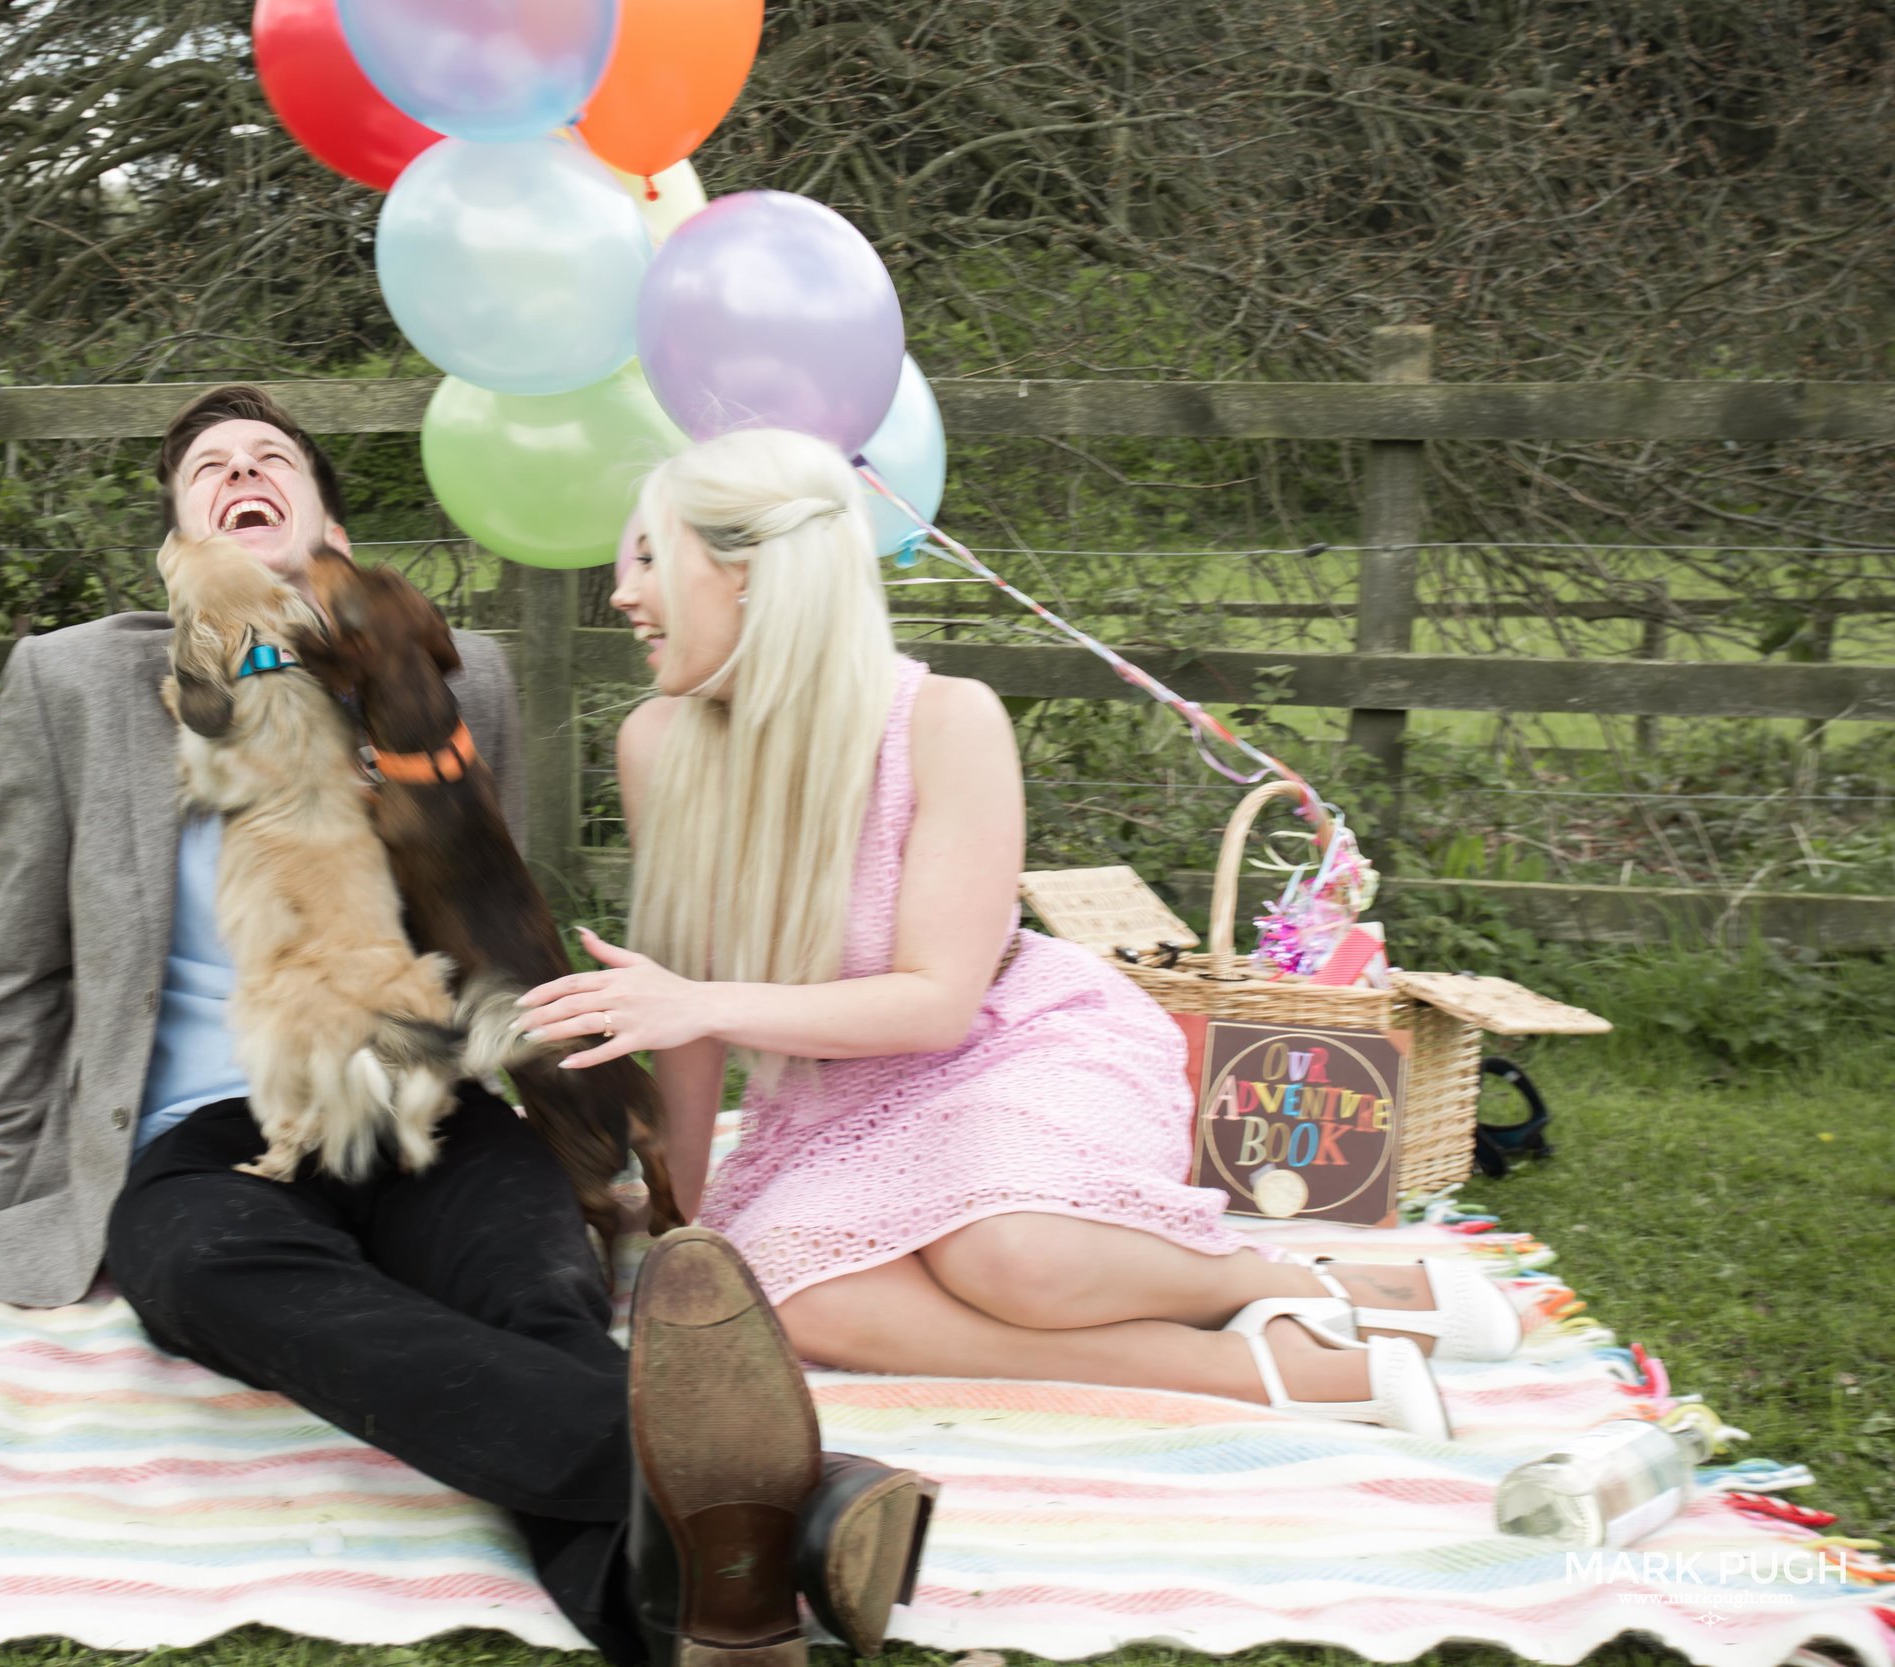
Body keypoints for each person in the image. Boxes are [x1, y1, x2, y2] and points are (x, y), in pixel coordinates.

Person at [0, 388, 934, 1667]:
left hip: (428, 1103)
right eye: (212, 464)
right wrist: (5, 1183)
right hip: (207, 1138)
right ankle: (790, 1505)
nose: (244, 470)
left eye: (275, 458)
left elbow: (496, 918)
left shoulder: (448, 670)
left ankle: (711, 1623)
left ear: (324, 514)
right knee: (213, 1274)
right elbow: (23, 963)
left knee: (535, 1302)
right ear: (177, 523)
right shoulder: (78, 680)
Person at [515, 428, 1526, 1437]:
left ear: (747, 573)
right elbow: (680, 1023)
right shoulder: (658, 745)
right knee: (790, 1290)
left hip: (1008, 1047)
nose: (621, 592)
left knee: (1009, 1256)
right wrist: (678, 1232)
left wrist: (700, 1000)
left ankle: (1299, 1282)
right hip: (836, 1103)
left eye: (649, 556)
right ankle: (1276, 1369)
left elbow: (934, 1000)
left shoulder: (945, 721)